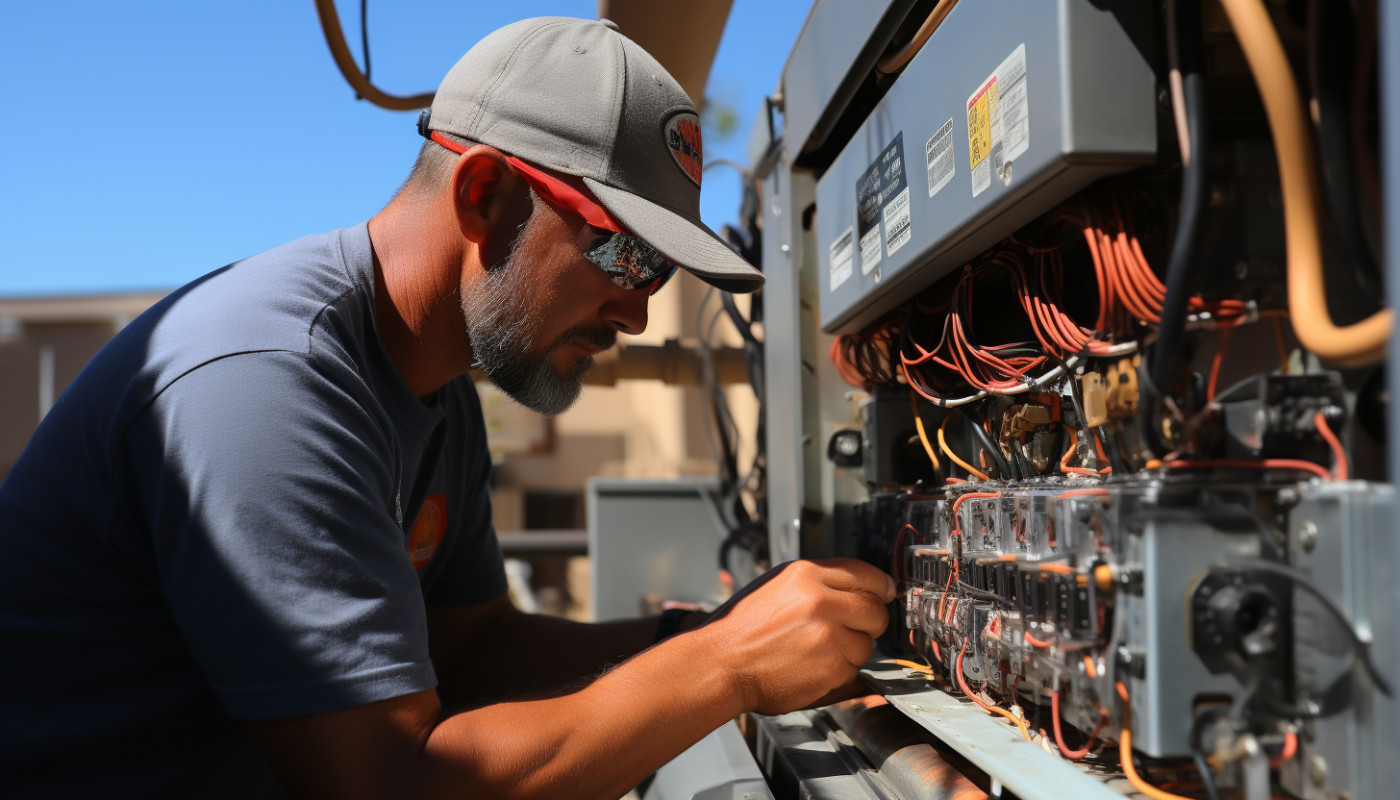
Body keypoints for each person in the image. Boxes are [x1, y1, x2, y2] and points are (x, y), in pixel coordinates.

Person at [0, 17, 893, 799]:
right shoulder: (265, 386)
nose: (638, 312)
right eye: (624, 254)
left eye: (658, 272)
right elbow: (394, 784)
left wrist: (710, 633)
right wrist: (727, 665)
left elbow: (476, 651)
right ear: (484, 196)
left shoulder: (439, 394)